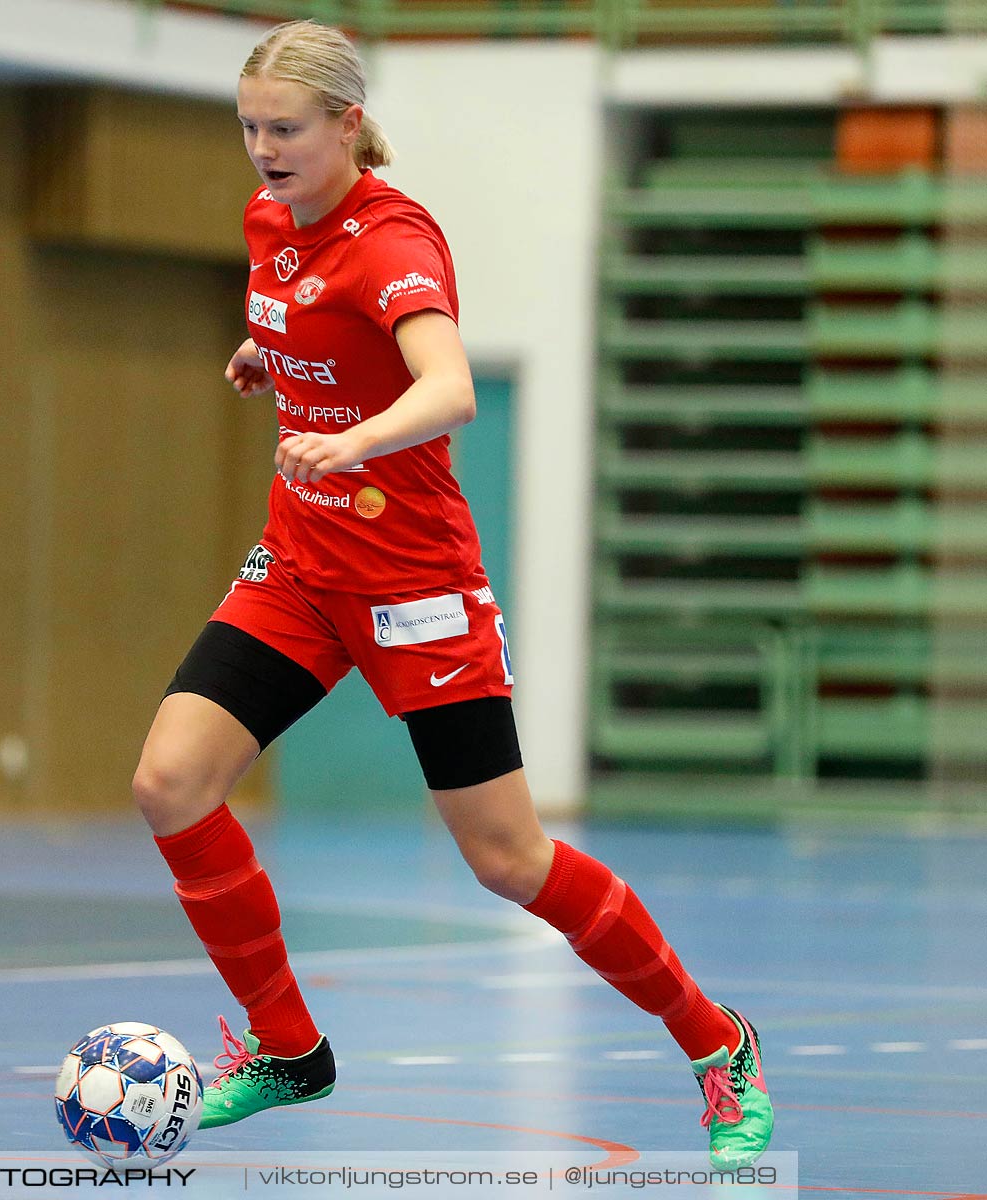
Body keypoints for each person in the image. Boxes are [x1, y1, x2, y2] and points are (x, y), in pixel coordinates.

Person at [129, 18, 773, 1172]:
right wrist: (270, 355)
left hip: (413, 588)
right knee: (169, 783)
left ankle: (716, 1045)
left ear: (345, 124)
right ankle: (287, 1049)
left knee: (506, 859)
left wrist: (352, 439)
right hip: (299, 572)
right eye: (248, 128)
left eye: (285, 129)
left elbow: (449, 386)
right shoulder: (268, 218)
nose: (263, 149)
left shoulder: (393, 240)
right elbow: (314, 314)